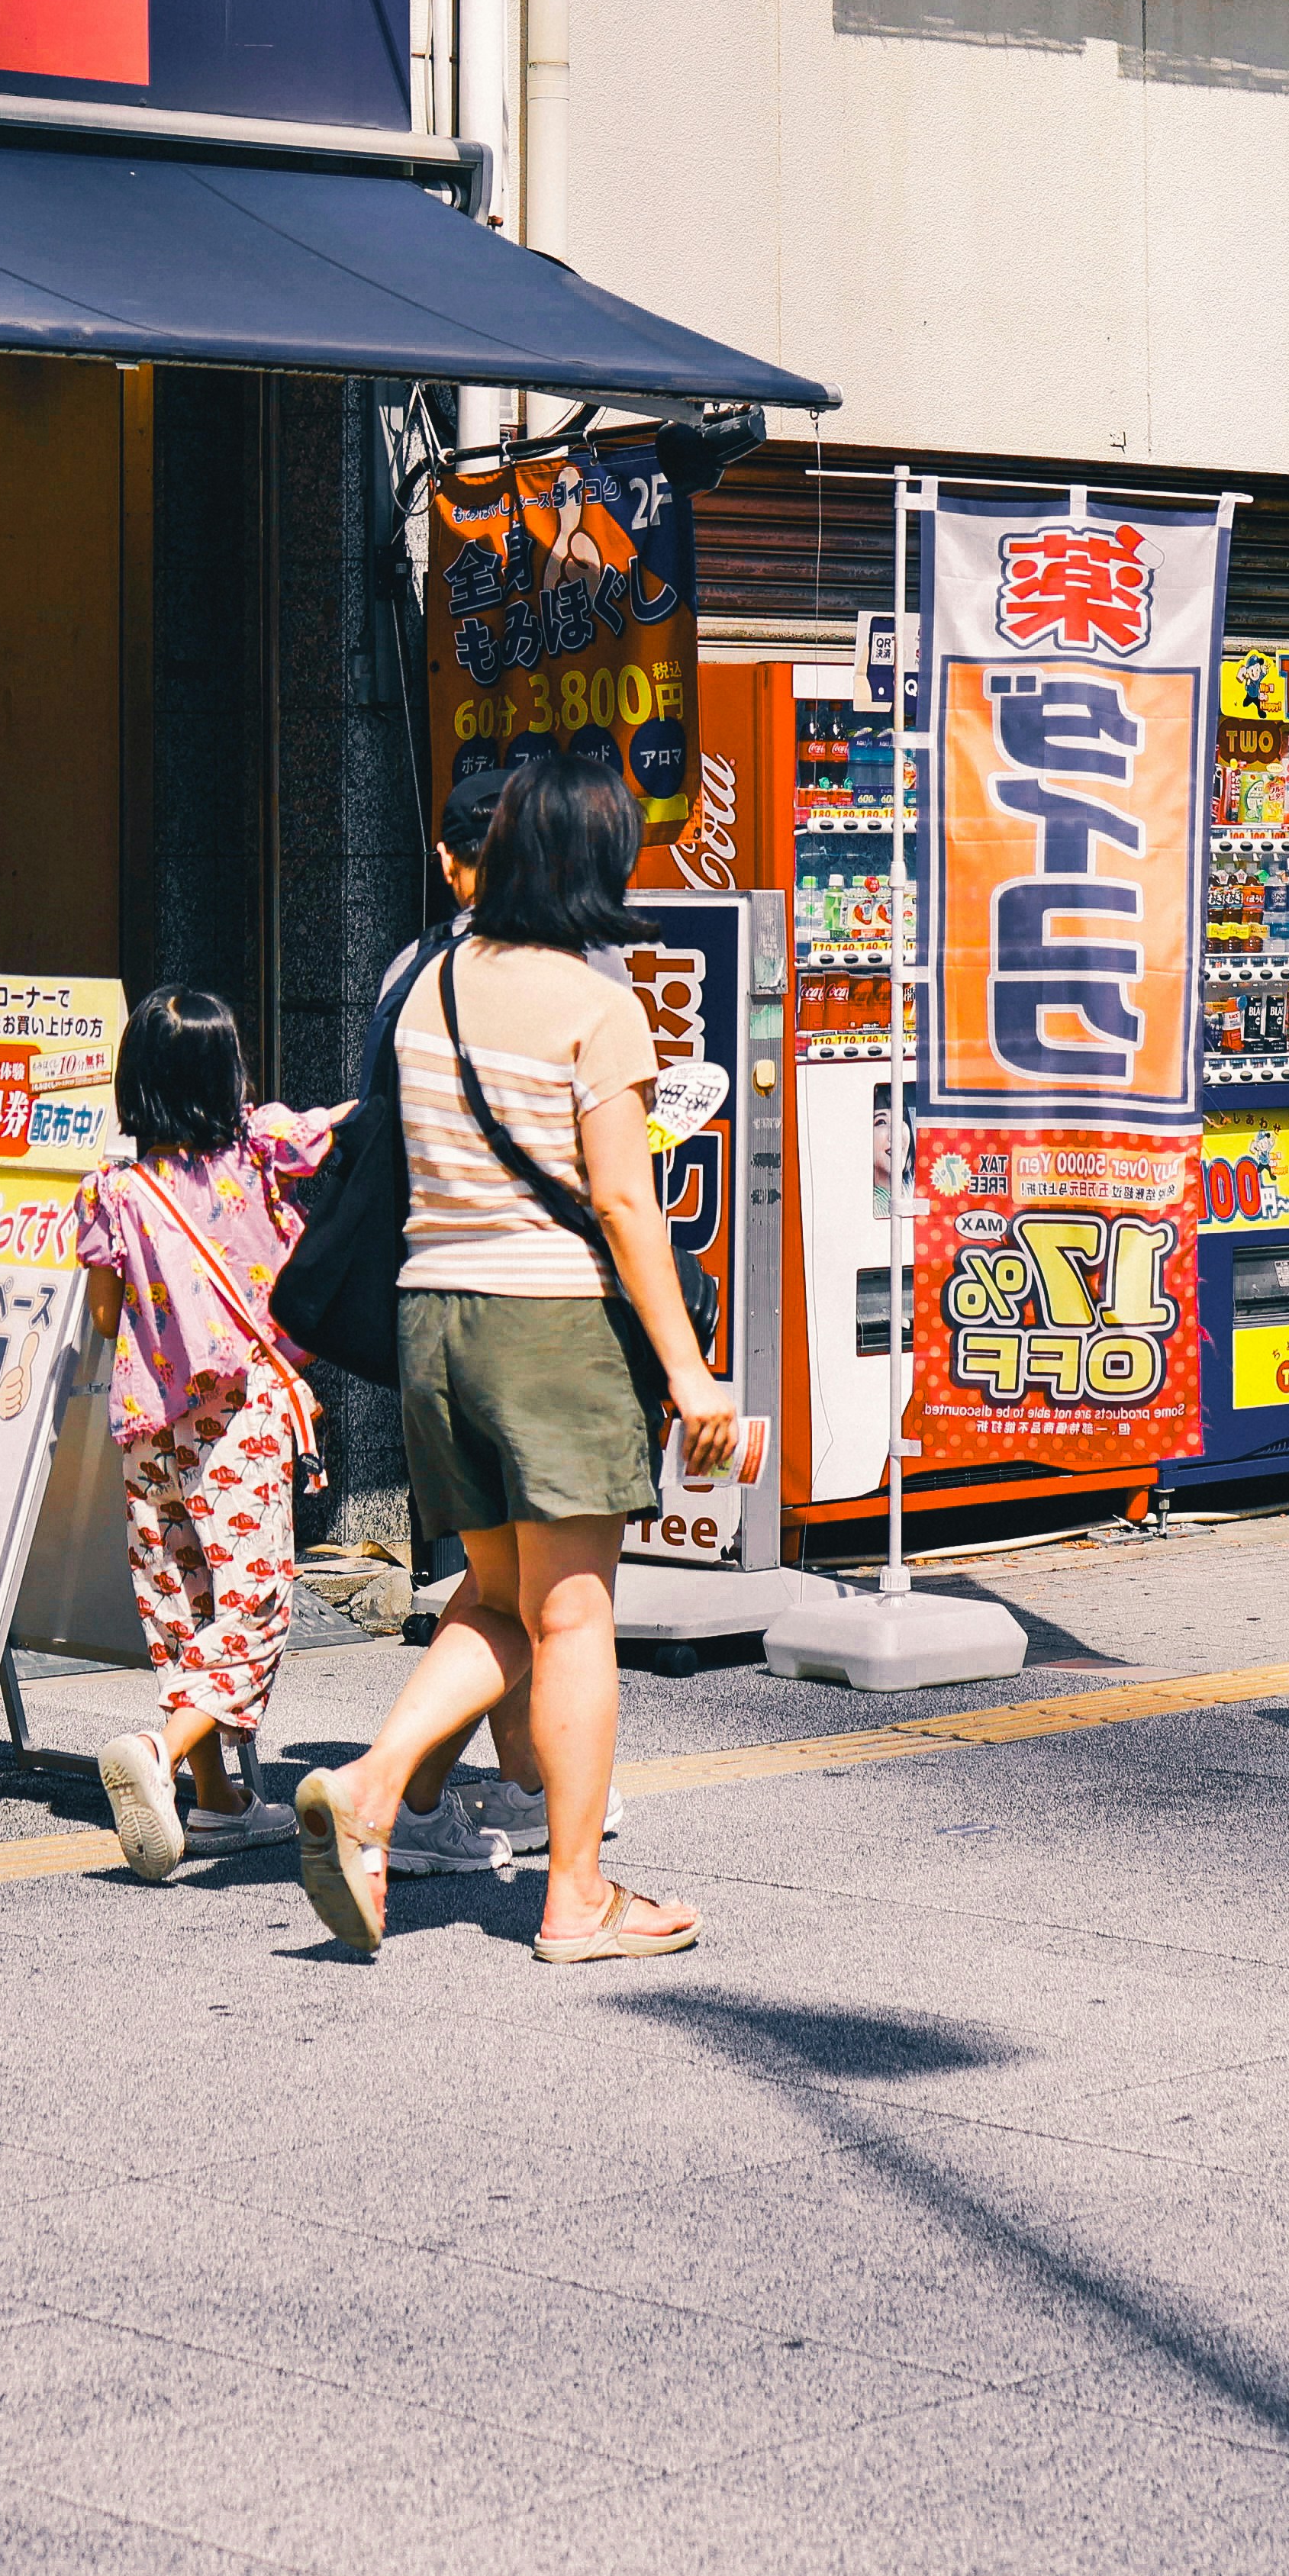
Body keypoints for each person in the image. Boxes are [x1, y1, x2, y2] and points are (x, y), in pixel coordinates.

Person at [296, 750, 761, 1963]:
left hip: (432, 1319)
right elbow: (623, 1201)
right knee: (575, 1617)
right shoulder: (598, 1004)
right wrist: (694, 1373)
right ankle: (578, 1899)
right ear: (596, 859)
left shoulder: (433, 979)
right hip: (551, 1328)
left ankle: (373, 1785)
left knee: (499, 1598)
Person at [68, 989, 341, 1884]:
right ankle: (159, 1745)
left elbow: (105, 1316)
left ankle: (217, 1800)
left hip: (150, 1425)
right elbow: (314, 1136)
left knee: (180, 1606)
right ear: (225, 1075)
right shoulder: (255, 1161)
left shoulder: (112, 1192)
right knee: (253, 1602)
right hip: (238, 1417)